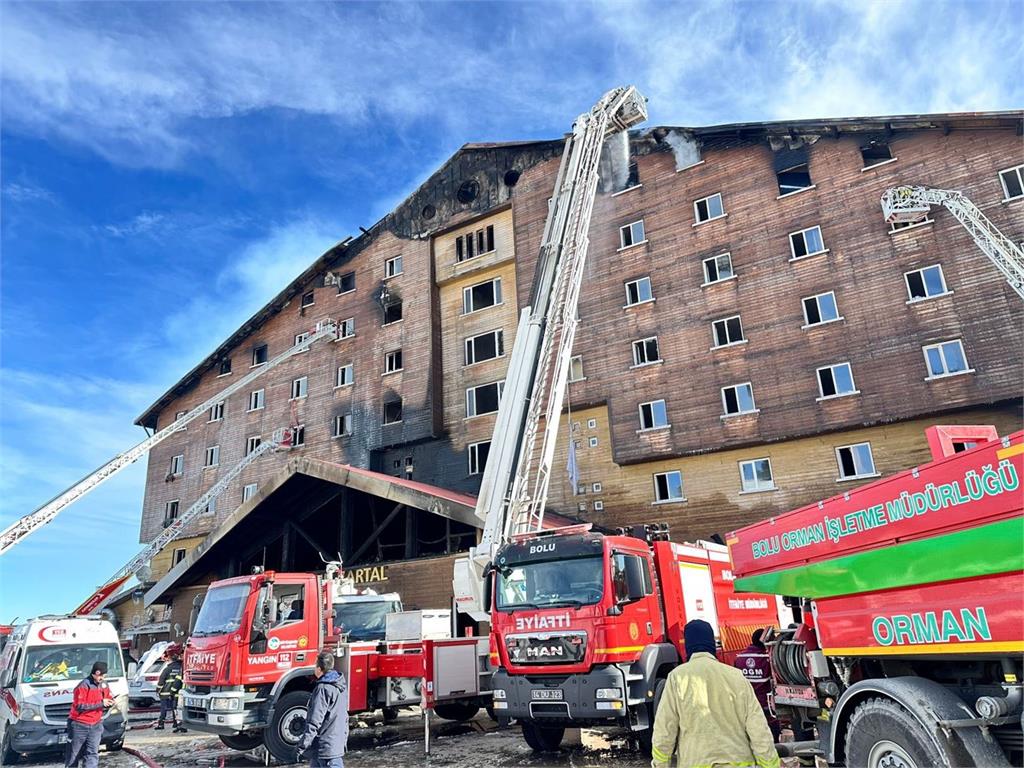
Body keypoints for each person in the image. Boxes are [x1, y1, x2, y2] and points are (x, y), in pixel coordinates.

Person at [651, 620, 779, 768]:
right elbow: (759, 730)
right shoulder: (736, 676)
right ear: (712, 644)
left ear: (688, 647)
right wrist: (770, 765)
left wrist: (661, 764)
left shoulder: (677, 678)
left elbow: (664, 730)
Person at [296, 651, 349, 768]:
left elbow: (315, 720)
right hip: (333, 746)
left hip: (325, 748)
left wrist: (302, 746)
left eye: (315, 666)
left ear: (319, 669)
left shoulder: (323, 688)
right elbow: (344, 716)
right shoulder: (340, 685)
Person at [65, 661, 114, 768]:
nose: (103, 678)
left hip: (96, 724)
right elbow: (80, 706)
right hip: (79, 724)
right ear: (96, 673)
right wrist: (101, 703)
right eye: (102, 675)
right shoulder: (83, 686)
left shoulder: (104, 685)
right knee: (73, 755)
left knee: (92, 753)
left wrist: (110, 702)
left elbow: (109, 698)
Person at [735, 628, 780, 741]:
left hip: (747, 706)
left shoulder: (739, 658)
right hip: (766, 707)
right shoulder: (767, 659)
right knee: (772, 738)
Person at [154, 644, 186, 733]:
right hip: (177, 693)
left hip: (165, 693)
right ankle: (176, 723)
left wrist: (158, 690)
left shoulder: (167, 669)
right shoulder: (181, 668)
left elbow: (161, 682)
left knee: (164, 710)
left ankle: (161, 724)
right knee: (175, 709)